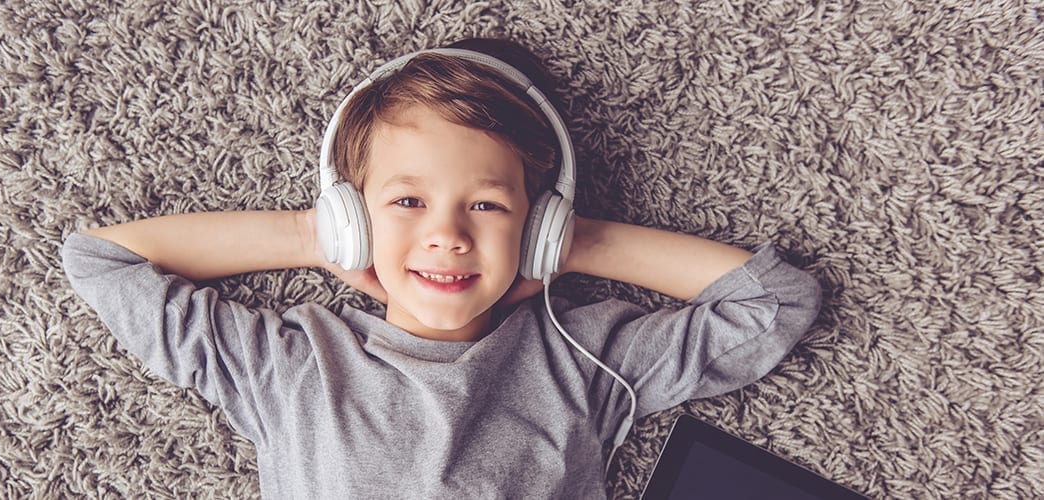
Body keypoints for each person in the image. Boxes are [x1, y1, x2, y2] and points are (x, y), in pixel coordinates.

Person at [61, 38, 822, 499]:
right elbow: (101, 261)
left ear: (538, 222)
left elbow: (775, 303)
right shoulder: (290, 363)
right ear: (352, 217)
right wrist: (310, 234)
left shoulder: (586, 357)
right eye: (406, 202)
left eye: (487, 207)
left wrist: (577, 244)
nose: (447, 236)